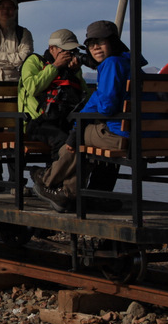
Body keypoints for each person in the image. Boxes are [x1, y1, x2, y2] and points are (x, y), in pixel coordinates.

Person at [32, 20, 139, 213]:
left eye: (101, 42)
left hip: (120, 134)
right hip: (137, 133)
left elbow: (106, 106)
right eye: (91, 43)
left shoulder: (111, 63)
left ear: (113, 42)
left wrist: (79, 124)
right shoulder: (131, 60)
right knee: (81, 131)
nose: (95, 47)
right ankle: (88, 193)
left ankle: (55, 184)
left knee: (78, 134)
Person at [0, 0, 34, 186]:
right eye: (2, 7)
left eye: (10, 7)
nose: (6, 10)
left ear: (16, 11)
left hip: (15, 93)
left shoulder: (23, 33)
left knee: (16, 138)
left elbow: (25, 58)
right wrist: (11, 59)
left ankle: (16, 181)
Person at [17, 29, 88, 163]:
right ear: (52, 49)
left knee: (82, 139)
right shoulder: (34, 61)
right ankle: (52, 181)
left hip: (64, 120)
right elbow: (32, 88)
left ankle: (53, 178)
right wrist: (55, 67)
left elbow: (84, 96)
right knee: (63, 140)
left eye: (73, 51)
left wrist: (75, 72)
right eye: (65, 50)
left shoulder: (71, 68)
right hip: (36, 122)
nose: (69, 54)